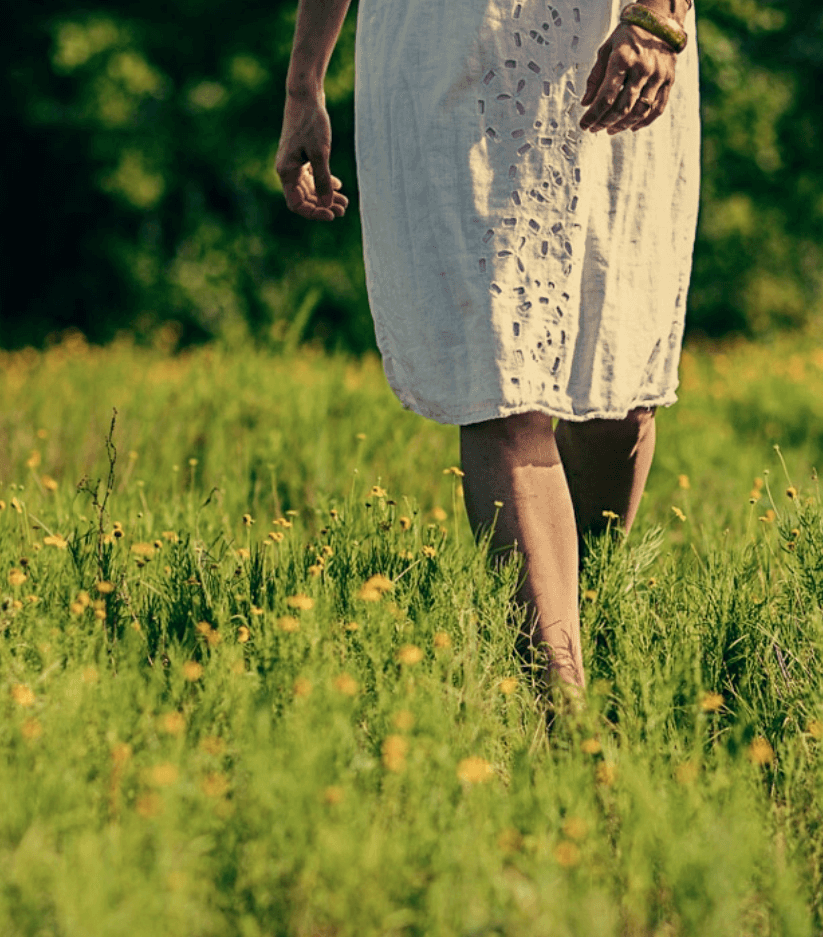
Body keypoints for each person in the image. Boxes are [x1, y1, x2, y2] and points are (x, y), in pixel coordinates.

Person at [276, 0, 698, 697]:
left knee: (617, 395)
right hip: (443, 49)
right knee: (500, 384)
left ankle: (591, 629)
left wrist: (656, 18)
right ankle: (565, 718)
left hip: (607, 37)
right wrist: (303, 85)